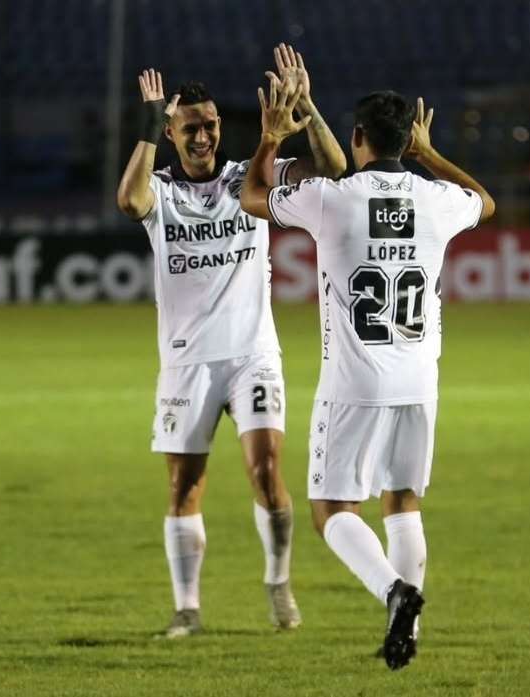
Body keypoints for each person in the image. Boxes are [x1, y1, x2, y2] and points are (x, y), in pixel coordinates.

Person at [240, 86, 495, 669]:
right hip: (418, 382)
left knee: (332, 510)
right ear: (408, 139)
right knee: (402, 503)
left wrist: (272, 136)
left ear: (356, 138)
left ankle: (394, 593)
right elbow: (485, 201)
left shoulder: (332, 199)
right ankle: (408, 633)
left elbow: (253, 195)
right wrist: (430, 156)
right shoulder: (436, 202)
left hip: (354, 383)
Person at [115, 45, 347, 638]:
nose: (203, 136)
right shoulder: (161, 192)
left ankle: (278, 583)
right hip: (186, 363)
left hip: (252, 356)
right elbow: (129, 200)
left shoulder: (247, 179)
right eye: (190, 127)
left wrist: (309, 106)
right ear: (171, 133)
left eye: (211, 125)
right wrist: (146, 123)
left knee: (268, 471)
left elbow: (333, 169)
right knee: (184, 485)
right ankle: (188, 607)